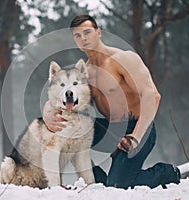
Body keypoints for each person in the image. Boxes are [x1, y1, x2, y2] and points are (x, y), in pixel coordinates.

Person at [42, 14, 180, 189]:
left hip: (138, 128)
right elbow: (61, 96)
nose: (83, 38)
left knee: (117, 185)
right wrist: (48, 114)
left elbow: (153, 96)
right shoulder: (86, 72)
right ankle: (95, 179)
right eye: (77, 35)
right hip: (111, 129)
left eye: (87, 32)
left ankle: (166, 172)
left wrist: (135, 137)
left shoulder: (123, 59)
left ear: (98, 32)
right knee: (64, 130)